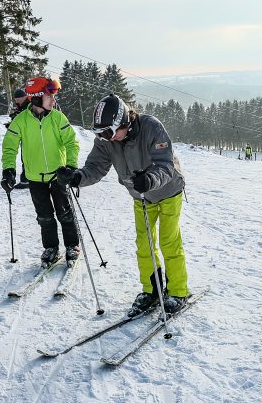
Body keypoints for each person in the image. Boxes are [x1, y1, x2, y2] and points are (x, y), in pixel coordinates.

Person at [56, 94, 190, 315]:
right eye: (100, 134)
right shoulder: (107, 141)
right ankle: (152, 290)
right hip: (140, 197)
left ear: (124, 121)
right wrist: (77, 177)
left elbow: (165, 165)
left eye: (108, 132)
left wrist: (149, 179)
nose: (105, 138)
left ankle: (177, 291)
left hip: (168, 191)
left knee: (169, 242)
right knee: (144, 244)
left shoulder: (151, 127)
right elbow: (95, 167)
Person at [1, 77, 81, 265]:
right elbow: (9, 146)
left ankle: (72, 245)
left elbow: (71, 142)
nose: (53, 100)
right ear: (36, 99)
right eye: (49, 96)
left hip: (58, 176)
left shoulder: (57, 117)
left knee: (64, 213)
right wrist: (9, 170)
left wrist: (70, 167)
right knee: (44, 216)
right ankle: (51, 247)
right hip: (35, 178)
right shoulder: (21, 121)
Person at [7, 88, 31, 190]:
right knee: (25, 158)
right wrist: (12, 123)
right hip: (24, 136)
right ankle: (26, 180)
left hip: (30, 136)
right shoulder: (22, 106)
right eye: (16, 99)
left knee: (27, 158)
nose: (17, 101)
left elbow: (27, 120)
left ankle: (26, 180)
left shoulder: (29, 106)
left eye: (18, 99)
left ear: (24, 97)